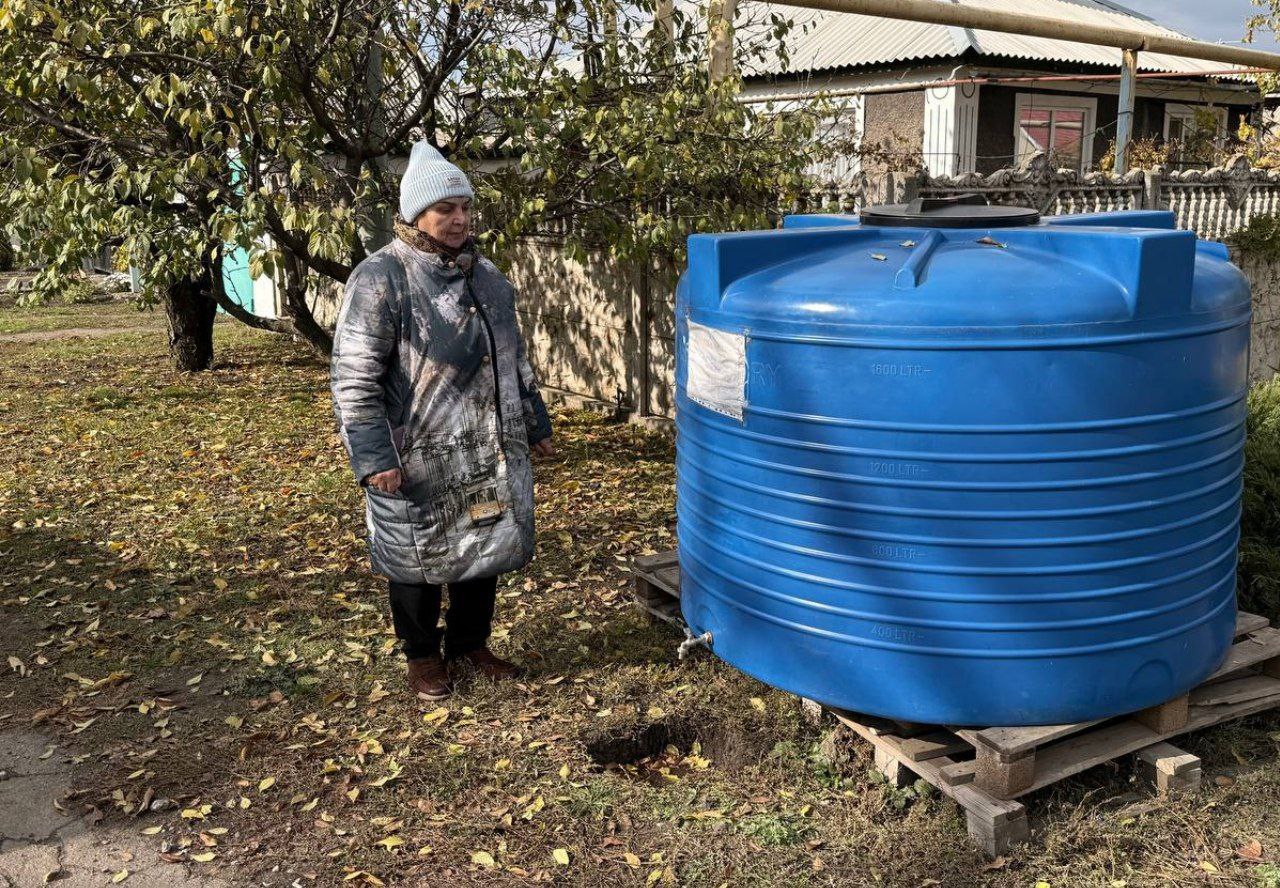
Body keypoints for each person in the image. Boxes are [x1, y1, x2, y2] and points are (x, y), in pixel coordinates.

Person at [330, 140, 554, 703]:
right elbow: (354, 378)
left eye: (465, 207)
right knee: (416, 555)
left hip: (486, 445)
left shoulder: (488, 276)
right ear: (415, 215)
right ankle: (423, 656)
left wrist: (535, 421)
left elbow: (514, 358)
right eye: (445, 209)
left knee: (484, 542)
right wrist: (375, 457)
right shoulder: (381, 278)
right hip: (416, 453)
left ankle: (470, 644)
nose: (459, 220)